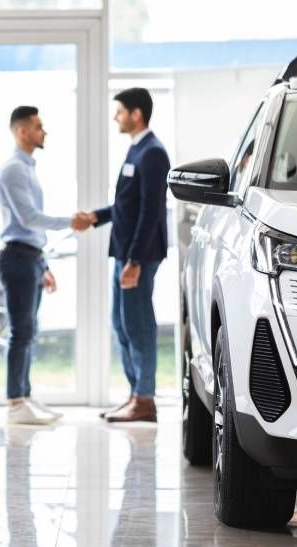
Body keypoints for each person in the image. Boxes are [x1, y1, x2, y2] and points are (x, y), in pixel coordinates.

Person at [74, 88, 171, 423]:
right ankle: (135, 395)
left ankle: (144, 400)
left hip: (137, 256)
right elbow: (126, 205)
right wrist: (96, 217)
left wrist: (135, 261)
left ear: (136, 114)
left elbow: (150, 211)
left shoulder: (153, 153)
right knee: (121, 323)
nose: (116, 117)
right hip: (125, 253)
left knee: (139, 325)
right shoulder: (137, 150)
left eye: (119, 111)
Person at [0, 105, 87, 425]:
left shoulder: (27, 168)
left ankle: (25, 395)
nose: (43, 131)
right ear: (22, 131)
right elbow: (29, 218)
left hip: (30, 257)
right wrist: (71, 222)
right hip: (17, 258)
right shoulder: (13, 170)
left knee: (29, 331)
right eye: (38, 126)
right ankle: (16, 402)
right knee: (21, 332)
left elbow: (30, 229)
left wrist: (44, 266)